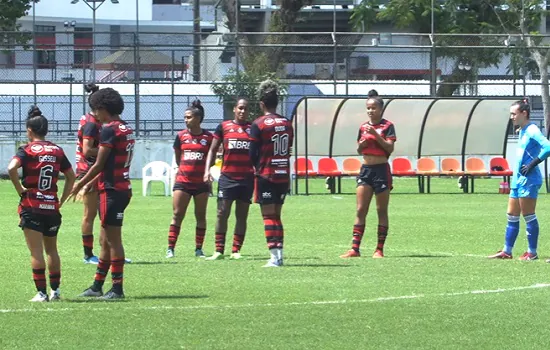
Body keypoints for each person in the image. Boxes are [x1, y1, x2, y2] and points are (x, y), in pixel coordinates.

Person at [67, 87, 134, 300]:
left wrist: (79, 184)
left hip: (113, 190)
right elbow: (107, 164)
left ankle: (117, 289)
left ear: (103, 108)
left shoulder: (109, 130)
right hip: (120, 187)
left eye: (96, 110)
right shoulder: (125, 128)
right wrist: (88, 185)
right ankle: (97, 285)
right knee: (105, 240)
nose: (95, 115)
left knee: (113, 241)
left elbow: (98, 164)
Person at [7, 106, 76, 302]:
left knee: (36, 251)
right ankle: (55, 292)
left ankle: (42, 293)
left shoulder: (26, 150)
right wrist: (61, 200)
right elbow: (71, 176)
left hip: (32, 206)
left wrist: (20, 189)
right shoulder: (57, 150)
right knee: (52, 249)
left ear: (29, 130)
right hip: (51, 208)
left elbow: (11, 168)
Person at [488, 99, 550, 261]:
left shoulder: (533, 130)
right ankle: (507, 251)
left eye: (514, 114)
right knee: (511, 214)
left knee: (528, 215)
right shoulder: (522, 130)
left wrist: (533, 163)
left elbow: (548, 147)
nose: (512, 117)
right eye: (511, 114)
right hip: (517, 179)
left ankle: (532, 252)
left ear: (524, 113)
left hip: (529, 179)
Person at [340, 95, 396, 259]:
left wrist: (376, 135)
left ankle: (379, 249)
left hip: (381, 170)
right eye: (368, 108)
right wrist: (362, 144)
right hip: (366, 169)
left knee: (381, 210)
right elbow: (359, 149)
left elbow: (389, 148)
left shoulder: (388, 126)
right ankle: (354, 249)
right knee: (360, 209)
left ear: (381, 109)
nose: (370, 111)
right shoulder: (363, 126)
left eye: (374, 108)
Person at [249, 80, 294, 267]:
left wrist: (257, 167)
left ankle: (274, 257)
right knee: (276, 215)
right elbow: (288, 147)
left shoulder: (258, 124)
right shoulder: (287, 123)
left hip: (266, 174)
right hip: (283, 174)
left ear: (261, 104)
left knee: (268, 216)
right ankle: (279, 255)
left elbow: (252, 153)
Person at [204, 98, 254, 260]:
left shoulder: (253, 128)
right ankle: (218, 250)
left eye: (245, 109)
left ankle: (236, 250)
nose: (242, 111)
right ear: (234, 109)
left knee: (242, 215)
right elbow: (212, 150)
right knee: (221, 212)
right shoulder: (224, 127)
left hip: (246, 178)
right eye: (240, 108)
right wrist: (207, 170)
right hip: (227, 177)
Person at [166, 100, 213, 258]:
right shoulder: (180, 136)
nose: (186, 120)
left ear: (198, 118)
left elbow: (211, 158)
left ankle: (199, 249)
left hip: (201, 184)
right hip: (183, 182)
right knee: (177, 214)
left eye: (189, 117)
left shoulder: (209, 137)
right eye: (185, 117)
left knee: (200, 216)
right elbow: (179, 159)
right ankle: (170, 248)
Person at [76, 83, 102, 264]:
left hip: (97, 170)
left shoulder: (93, 120)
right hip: (88, 171)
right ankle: (88, 254)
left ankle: (107, 252)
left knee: (105, 214)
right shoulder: (92, 123)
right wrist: (108, 150)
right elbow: (87, 150)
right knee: (90, 213)